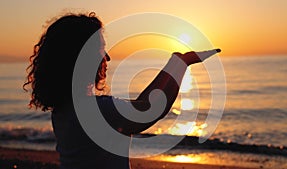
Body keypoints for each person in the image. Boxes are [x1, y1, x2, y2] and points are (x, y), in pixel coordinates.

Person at [23, 12, 220, 169]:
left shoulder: (66, 110)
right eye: (101, 49)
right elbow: (152, 109)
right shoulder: (97, 111)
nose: (107, 58)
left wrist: (174, 64)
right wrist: (181, 66)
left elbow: (142, 103)